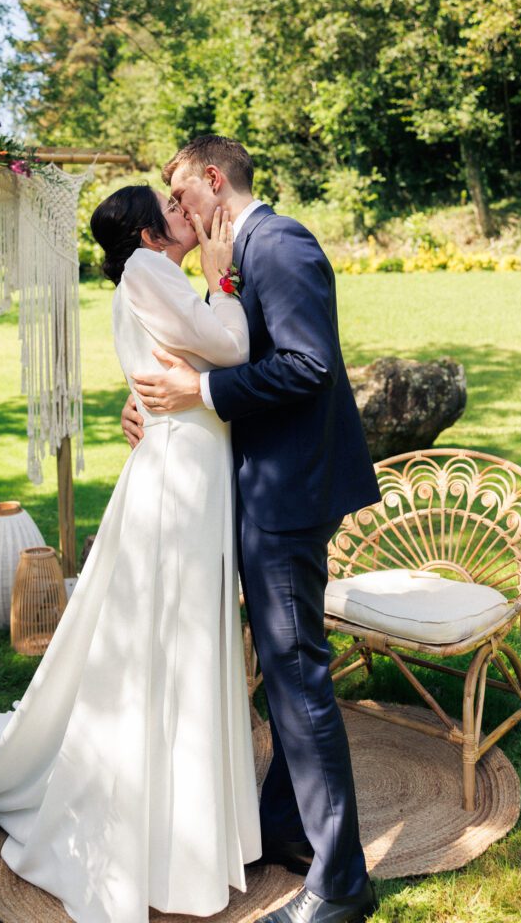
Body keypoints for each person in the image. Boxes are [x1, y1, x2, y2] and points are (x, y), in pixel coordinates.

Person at [0, 184, 262, 923]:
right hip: (183, 468)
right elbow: (229, 345)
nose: (184, 215)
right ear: (146, 233)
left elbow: (185, 358)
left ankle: (186, 814)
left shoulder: (140, 279)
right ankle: (161, 821)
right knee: (171, 631)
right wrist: (219, 280)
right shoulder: (151, 271)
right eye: (169, 210)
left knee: (178, 630)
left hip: (185, 458)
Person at [128, 135, 381, 923]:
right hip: (258, 487)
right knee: (283, 670)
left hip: (289, 495)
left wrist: (199, 391)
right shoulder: (238, 258)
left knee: (299, 675)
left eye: (183, 197)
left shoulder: (280, 242)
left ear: (213, 180)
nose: (181, 215)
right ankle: (284, 825)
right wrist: (158, 403)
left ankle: (341, 886)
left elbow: (307, 365)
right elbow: (220, 348)